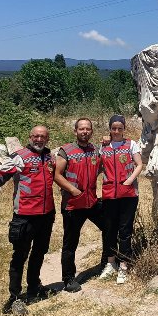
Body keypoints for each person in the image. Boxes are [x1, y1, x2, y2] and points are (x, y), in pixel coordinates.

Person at [0, 125, 56, 313]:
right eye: (36, 136)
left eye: (43, 137)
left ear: (47, 139)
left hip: (47, 214)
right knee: (19, 256)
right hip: (24, 215)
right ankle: (15, 297)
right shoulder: (19, 157)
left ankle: (34, 287)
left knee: (39, 253)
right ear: (30, 137)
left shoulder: (50, 157)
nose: (39, 139)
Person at [54, 118, 106, 293]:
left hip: (91, 201)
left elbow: (101, 167)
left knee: (109, 227)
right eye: (81, 129)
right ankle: (68, 279)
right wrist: (72, 189)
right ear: (75, 131)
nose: (85, 131)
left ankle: (106, 262)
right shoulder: (65, 151)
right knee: (70, 243)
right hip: (73, 204)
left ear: (91, 131)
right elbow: (57, 175)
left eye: (88, 129)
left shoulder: (95, 150)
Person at [98, 115, 143, 284]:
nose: (116, 131)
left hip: (128, 194)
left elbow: (139, 164)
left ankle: (124, 265)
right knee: (109, 229)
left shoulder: (131, 144)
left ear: (124, 129)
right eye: (113, 128)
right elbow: (98, 166)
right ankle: (111, 263)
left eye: (120, 128)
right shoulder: (103, 146)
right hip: (109, 194)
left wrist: (130, 180)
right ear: (109, 129)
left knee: (125, 230)